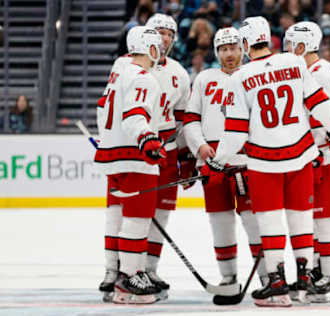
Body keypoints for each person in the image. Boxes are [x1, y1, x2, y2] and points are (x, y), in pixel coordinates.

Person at [200, 16, 330, 307]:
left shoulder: (238, 78)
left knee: (269, 220)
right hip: (302, 154)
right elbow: (318, 101)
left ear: (244, 44)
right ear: (269, 38)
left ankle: (277, 284)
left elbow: (235, 131)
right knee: (300, 217)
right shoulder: (294, 62)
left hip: (264, 161)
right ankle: (303, 280)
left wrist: (219, 161)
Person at [183, 27, 268, 304]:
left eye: (233, 48)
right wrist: (200, 146)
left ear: (242, 48)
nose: (229, 54)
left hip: (244, 161)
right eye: (223, 49)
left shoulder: (253, 76)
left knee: (253, 220)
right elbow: (191, 119)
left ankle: (269, 279)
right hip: (212, 164)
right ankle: (228, 279)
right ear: (216, 51)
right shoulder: (205, 78)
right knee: (220, 221)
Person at [284, 21, 330, 303]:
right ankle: (320, 270)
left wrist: (319, 150)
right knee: (318, 214)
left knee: (328, 215)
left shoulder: (320, 73)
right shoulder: (313, 70)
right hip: (320, 153)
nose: (287, 50)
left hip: (328, 153)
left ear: (302, 46)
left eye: (290, 45)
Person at [94, 26, 167, 304]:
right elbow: (135, 116)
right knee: (137, 221)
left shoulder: (118, 75)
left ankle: (122, 276)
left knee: (124, 220)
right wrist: (148, 140)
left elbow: (103, 109)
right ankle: (129, 278)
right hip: (134, 158)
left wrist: (107, 140)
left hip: (115, 157)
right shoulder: (143, 77)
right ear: (150, 48)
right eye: (156, 47)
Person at [145, 13, 194, 297]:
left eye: (169, 34)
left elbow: (183, 121)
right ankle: (125, 269)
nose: (164, 38)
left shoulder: (178, 73)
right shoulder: (131, 67)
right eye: (159, 32)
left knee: (161, 213)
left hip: (167, 151)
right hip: (138, 152)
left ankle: (150, 268)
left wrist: (185, 158)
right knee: (135, 214)